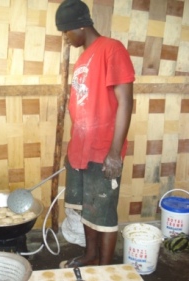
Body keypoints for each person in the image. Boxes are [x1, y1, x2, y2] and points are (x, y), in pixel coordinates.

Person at [55, 0, 135, 268]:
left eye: (66, 31)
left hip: (103, 151)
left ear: (80, 25)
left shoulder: (112, 49)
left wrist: (115, 152)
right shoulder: (83, 57)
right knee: (88, 210)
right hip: (80, 151)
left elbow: (125, 101)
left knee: (103, 213)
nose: (66, 38)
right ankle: (90, 256)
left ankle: (104, 266)